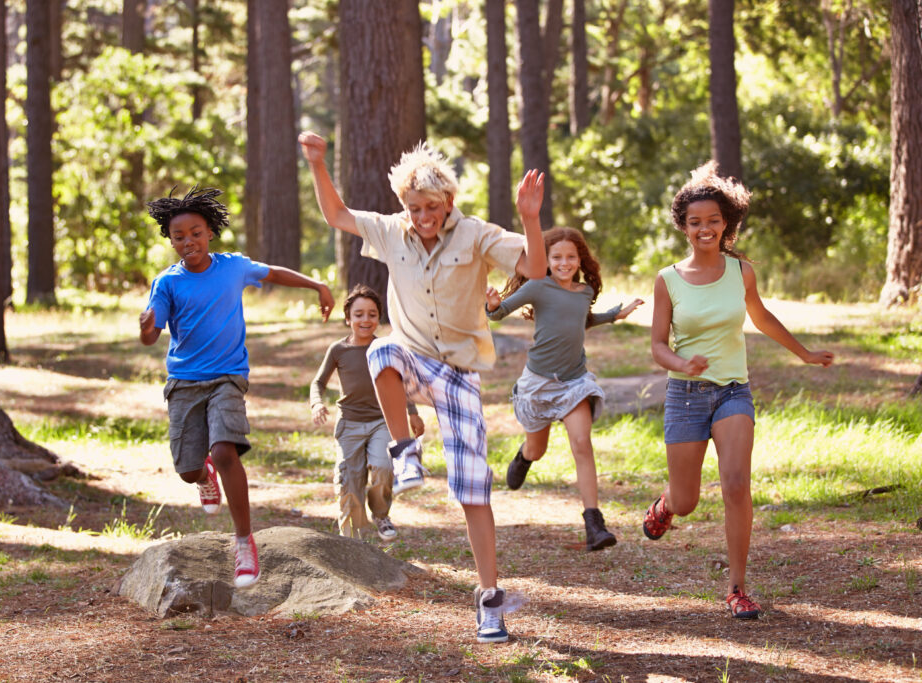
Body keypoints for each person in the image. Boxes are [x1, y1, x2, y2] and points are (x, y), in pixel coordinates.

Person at [299, 131, 546, 643]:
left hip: (459, 374)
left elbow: (536, 269)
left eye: (431, 207)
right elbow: (338, 216)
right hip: (410, 359)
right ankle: (405, 450)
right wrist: (318, 163)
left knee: (474, 492)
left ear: (449, 202)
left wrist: (529, 218)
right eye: (414, 208)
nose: (423, 217)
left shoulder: (476, 234)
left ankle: (490, 602)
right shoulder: (392, 231)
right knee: (380, 349)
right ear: (404, 205)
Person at [646, 162, 833, 619]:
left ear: (725, 222)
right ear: (683, 227)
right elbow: (656, 345)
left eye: (713, 220)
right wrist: (681, 362)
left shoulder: (741, 271)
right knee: (687, 501)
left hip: (733, 391)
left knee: (735, 484)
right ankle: (667, 503)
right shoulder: (667, 279)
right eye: (695, 222)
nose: (704, 229)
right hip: (686, 393)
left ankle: (737, 588)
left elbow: (762, 317)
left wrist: (804, 354)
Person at [139, 186, 335, 589]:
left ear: (210, 232)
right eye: (179, 236)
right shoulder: (167, 283)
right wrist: (145, 328)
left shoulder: (232, 267)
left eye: (196, 232)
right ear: (170, 241)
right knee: (188, 469)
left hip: (228, 377)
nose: (188, 241)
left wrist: (317, 285)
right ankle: (203, 475)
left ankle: (244, 541)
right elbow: (151, 333)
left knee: (225, 448)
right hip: (184, 384)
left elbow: (274, 273)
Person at [484, 227, 642, 551]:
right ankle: (524, 457)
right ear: (546, 260)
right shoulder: (538, 287)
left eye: (571, 257)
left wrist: (614, 315)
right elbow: (499, 314)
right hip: (538, 384)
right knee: (537, 449)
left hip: (574, 381)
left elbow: (581, 320)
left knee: (582, 443)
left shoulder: (583, 292)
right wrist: (492, 304)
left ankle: (594, 524)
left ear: (580, 260)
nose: (564, 262)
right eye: (556, 256)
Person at [310, 284, 426, 541]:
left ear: (378, 318)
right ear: (348, 318)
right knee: (349, 480)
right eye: (359, 314)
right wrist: (317, 403)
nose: (365, 320)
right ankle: (353, 539)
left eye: (372, 314)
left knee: (384, 467)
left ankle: (381, 513)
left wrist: (412, 412)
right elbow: (317, 383)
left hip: (381, 422)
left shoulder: (385, 348)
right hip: (349, 424)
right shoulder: (338, 350)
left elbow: (399, 383)